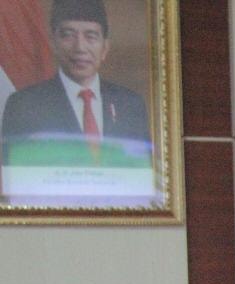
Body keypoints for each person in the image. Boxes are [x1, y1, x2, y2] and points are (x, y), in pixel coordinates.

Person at [1, 0, 152, 168]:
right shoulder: (24, 106)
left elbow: (143, 171)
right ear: (53, 43)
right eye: (68, 35)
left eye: (91, 36)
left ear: (105, 48)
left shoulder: (131, 106)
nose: (80, 47)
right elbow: (13, 175)